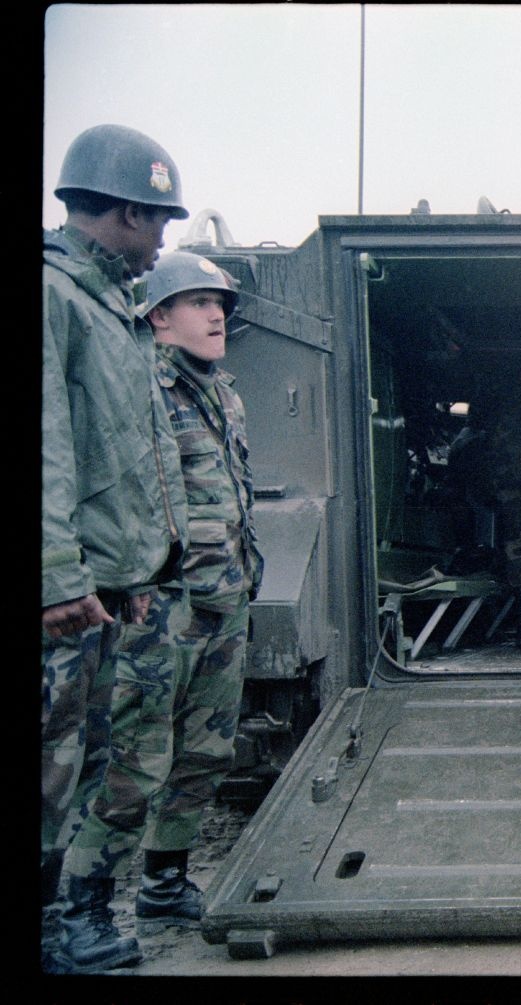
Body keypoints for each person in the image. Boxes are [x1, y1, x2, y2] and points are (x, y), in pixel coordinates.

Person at [67, 252, 261, 940]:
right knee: (137, 759)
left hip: (222, 597)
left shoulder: (223, 391)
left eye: (222, 304)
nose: (216, 315)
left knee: (206, 751)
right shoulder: (141, 391)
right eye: (199, 302)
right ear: (158, 316)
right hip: (163, 606)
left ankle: (163, 881)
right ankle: (83, 909)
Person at [42, 124, 190, 973]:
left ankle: (66, 926)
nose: (163, 242)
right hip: (63, 597)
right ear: (127, 211)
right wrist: (59, 575)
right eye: (158, 222)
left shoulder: (109, 308)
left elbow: (131, 457)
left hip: (103, 587)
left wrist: (137, 572)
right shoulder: (59, 297)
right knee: (50, 773)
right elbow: (49, 448)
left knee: (85, 766)